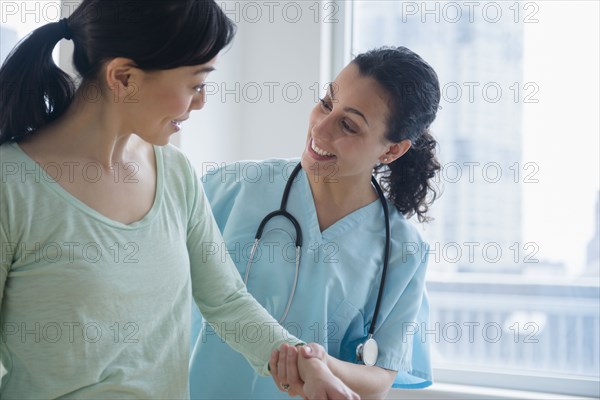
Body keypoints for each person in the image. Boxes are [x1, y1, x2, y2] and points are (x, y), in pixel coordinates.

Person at [0, 1, 358, 398]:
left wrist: (303, 362)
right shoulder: (11, 185)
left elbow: (226, 301)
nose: (202, 101)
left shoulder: (174, 174)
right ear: (123, 77)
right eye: (195, 84)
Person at [189, 46, 441, 399]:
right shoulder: (230, 187)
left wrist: (320, 362)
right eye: (326, 103)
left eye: (349, 125)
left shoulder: (403, 250)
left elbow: (380, 377)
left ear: (391, 150)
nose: (320, 130)